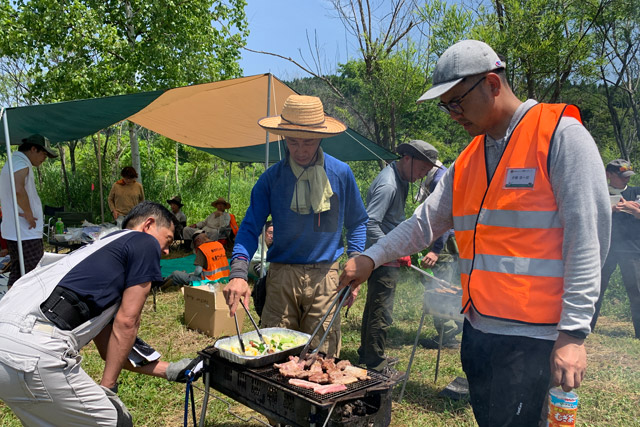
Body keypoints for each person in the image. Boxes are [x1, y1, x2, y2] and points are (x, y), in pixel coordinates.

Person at [339, 40, 610, 426]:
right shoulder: (468, 160)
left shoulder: (561, 137)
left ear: (492, 84)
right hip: (479, 330)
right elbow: (423, 224)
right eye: (445, 105)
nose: (452, 114)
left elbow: (588, 239)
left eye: (456, 101)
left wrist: (574, 333)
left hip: (535, 339)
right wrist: (370, 257)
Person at [0, 201, 201, 426]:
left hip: (7, 347)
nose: (165, 251)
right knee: (117, 422)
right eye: (168, 239)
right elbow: (127, 321)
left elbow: (110, 347)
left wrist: (169, 370)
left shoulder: (97, 252)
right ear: (149, 225)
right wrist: (108, 388)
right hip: (34, 349)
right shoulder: (144, 242)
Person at [223, 94, 368, 356]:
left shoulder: (341, 174)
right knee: (274, 352)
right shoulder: (272, 179)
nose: (300, 151)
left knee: (321, 356)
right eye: (293, 142)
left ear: (321, 139)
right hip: (281, 277)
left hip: (327, 277)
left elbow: (358, 222)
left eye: (309, 142)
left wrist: (356, 261)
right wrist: (238, 273)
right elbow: (248, 227)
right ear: (283, 138)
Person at [358, 139, 438, 372]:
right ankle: (375, 364)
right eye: (422, 169)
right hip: (380, 256)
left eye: (426, 172)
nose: (422, 175)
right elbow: (369, 223)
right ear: (406, 159)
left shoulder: (400, 178)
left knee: (375, 306)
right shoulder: (389, 185)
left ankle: (368, 353)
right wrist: (391, 250)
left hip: (385, 254)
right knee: (381, 310)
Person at [0, 134, 58, 287]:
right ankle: (29, 308)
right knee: (35, 274)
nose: (44, 159)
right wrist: (29, 213)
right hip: (25, 232)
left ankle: (10, 306)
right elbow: (18, 189)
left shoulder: (14, 161)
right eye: (44, 154)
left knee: (18, 272)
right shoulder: (20, 162)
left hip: (16, 231)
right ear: (33, 149)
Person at [591, 159, 640, 338]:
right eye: (622, 176)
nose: (626, 179)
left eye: (628, 176)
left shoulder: (636, 193)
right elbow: (587, 215)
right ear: (608, 175)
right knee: (596, 288)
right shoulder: (598, 193)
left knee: (637, 291)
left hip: (632, 248)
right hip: (604, 247)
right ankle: (586, 328)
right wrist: (608, 209)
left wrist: (632, 209)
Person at [416, 162, 463, 349]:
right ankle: (450, 330)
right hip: (443, 241)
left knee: (439, 288)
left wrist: (435, 250)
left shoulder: (438, 180)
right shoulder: (438, 176)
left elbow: (442, 217)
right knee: (439, 285)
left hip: (443, 245)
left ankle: (448, 334)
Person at [164, 229, 230, 287]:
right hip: (223, 278)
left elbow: (198, 271)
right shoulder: (218, 244)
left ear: (198, 240)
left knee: (176, 274)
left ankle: (163, 281)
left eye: (195, 243)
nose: (196, 246)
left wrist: (192, 274)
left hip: (207, 281)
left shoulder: (203, 248)